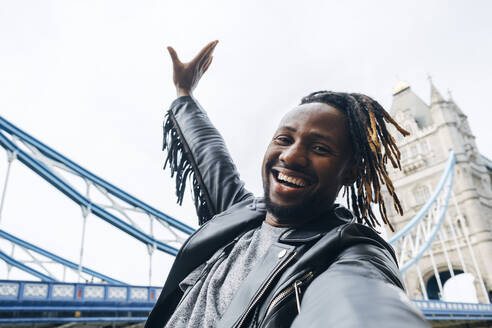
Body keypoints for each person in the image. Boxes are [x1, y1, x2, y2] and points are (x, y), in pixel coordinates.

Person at [145, 40, 429, 328]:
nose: (291, 156)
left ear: (350, 172)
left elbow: (357, 302)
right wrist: (184, 94)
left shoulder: (349, 250)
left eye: (320, 148)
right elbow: (210, 155)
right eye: (284, 139)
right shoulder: (243, 217)